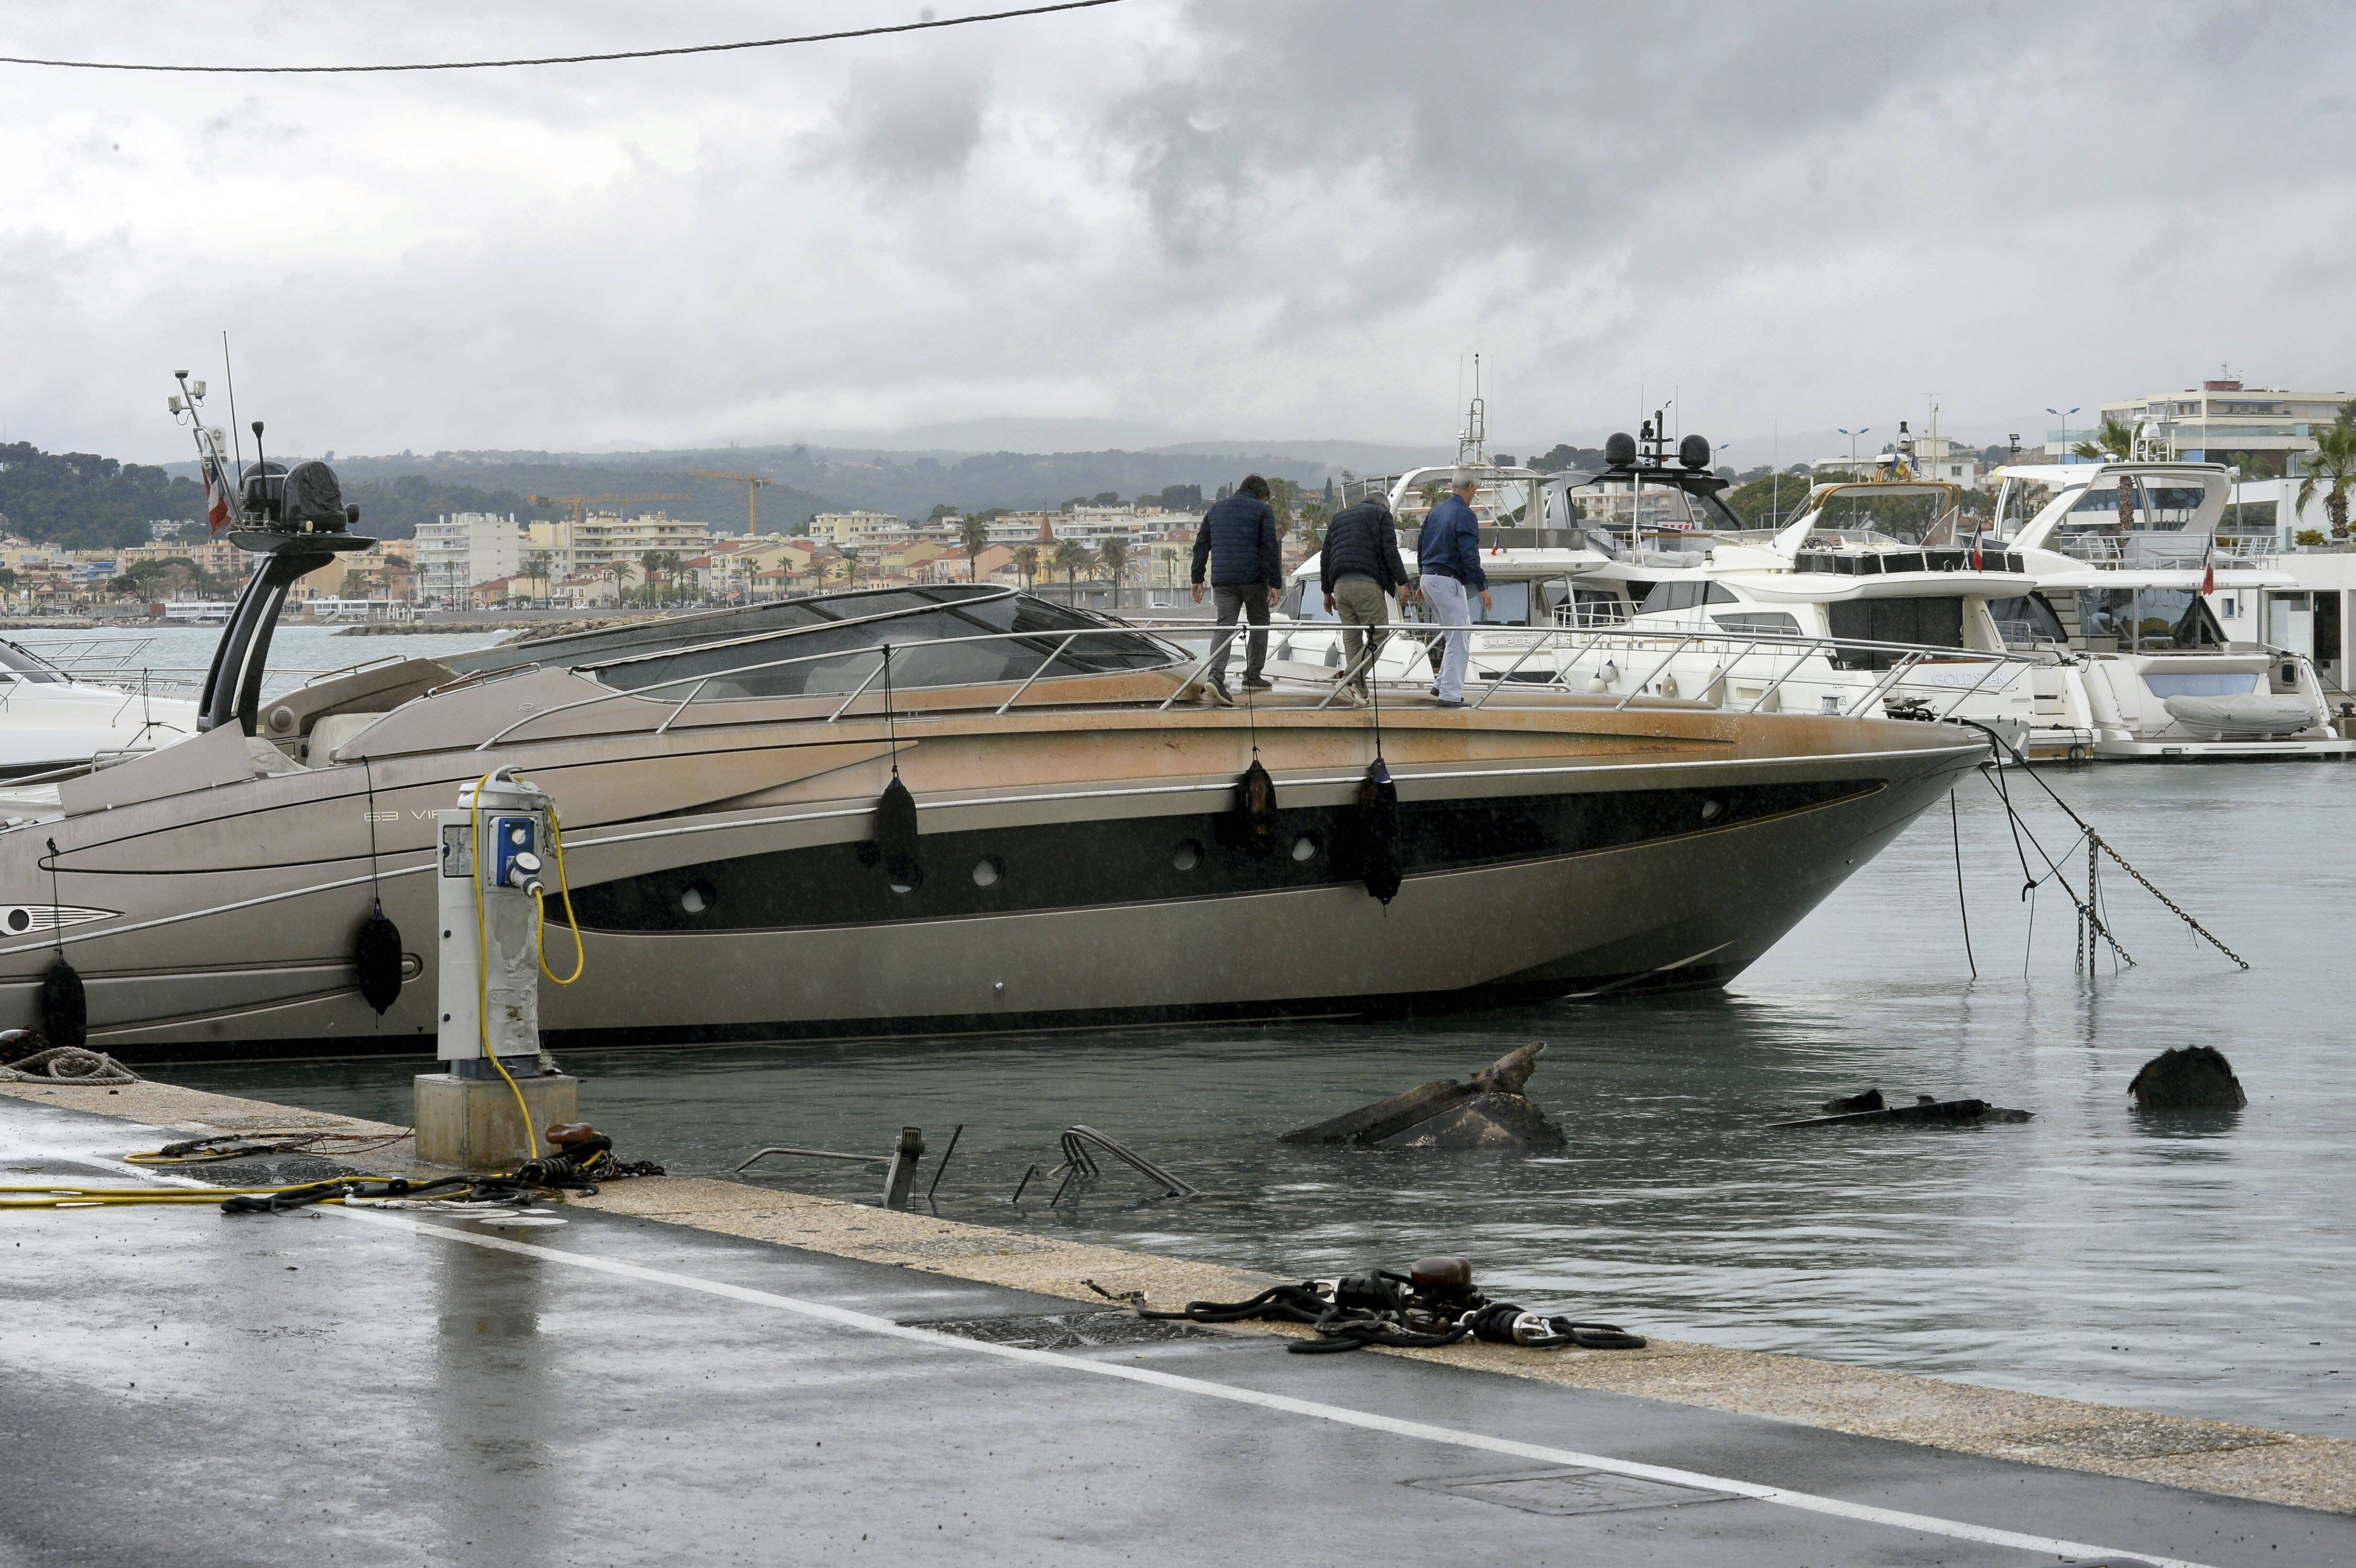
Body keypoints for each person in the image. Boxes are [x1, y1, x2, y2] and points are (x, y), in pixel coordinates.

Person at [1190, 474, 1282, 701]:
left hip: (1223, 580)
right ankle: (1252, 676)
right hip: (1254, 579)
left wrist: (1197, 579)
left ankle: (1215, 677)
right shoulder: (1262, 510)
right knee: (1260, 625)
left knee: (1224, 627)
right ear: (1261, 495)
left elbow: (1201, 545)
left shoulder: (1216, 510)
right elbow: (1270, 547)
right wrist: (1275, 583)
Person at [1317, 487, 1408, 706]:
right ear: (1381, 506)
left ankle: (1360, 692)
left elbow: (1326, 555)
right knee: (1380, 634)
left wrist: (1327, 591)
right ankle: (1348, 678)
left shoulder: (1338, 517)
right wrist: (1403, 582)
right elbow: (1390, 550)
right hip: (1365, 584)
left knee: (1353, 641)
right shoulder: (1381, 515)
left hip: (1340, 585)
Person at [1415, 472, 1491, 707]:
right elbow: (1469, 554)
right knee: (1460, 638)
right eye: (1475, 492)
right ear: (1470, 487)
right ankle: (1449, 695)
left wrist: (1423, 577)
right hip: (1448, 581)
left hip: (1428, 578)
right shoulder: (1465, 515)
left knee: (1451, 637)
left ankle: (1442, 685)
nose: (1474, 497)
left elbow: (1421, 545)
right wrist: (1482, 587)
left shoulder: (1436, 512)